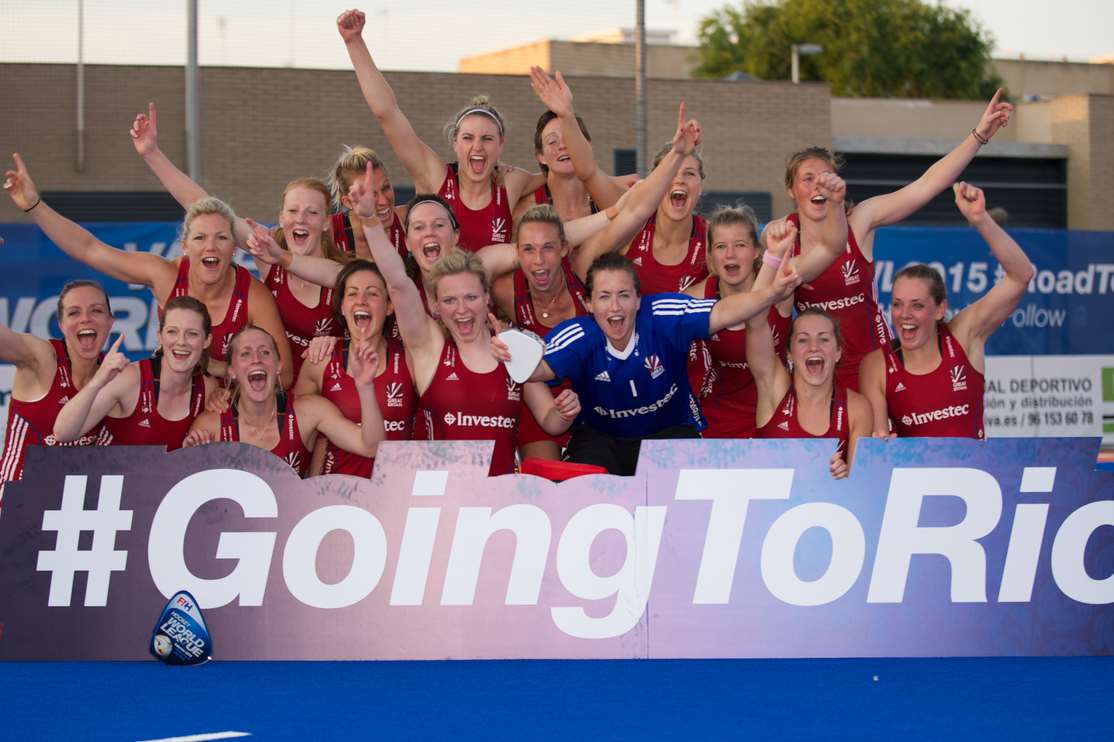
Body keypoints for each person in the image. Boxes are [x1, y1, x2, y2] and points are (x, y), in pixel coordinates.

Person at [781, 89, 1014, 391]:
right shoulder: (782, 236)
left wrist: (979, 136)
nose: (818, 185)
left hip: (873, 366)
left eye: (825, 176)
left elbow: (926, 185)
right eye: (808, 178)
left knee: (878, 437)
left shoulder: (860, 221)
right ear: (791, 190)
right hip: (818, 371)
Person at [3, 153, 293, 388]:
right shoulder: (164, 275)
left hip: (222, 405)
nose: (211, 248)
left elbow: (285, 375)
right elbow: (89, 249)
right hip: (174, 394)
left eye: (221, 238)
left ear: (235, 249)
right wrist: (34, 205)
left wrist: (223, 382)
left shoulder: (253, 296)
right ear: (185, 246)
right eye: (200, 238)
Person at [524, 246, 802, 476]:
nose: (615, 307)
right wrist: (506, 352)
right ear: (588, 304)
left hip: (669, 431)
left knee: (684, 495)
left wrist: (771, 292)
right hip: (601, 438)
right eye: (604, 297)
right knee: (583, 488)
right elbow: (535, 369)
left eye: (624, 295)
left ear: (638, 300)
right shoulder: (578, 335)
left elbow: (725, 312)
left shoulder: (663, 315)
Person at [129, 103, 343, 381]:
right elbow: (204, 204)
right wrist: (152, 154)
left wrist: (340, 343)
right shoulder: (267, 255)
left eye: (312, 213)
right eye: (292, 211)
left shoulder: (340, 272)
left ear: (327, 221)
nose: (300, 220)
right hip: (275, 388)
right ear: (281, 217)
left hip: (328, 390)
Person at [338, 9, 542, 251]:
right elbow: (387, 113)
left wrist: (565, 114)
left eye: (487, 139)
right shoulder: (435, 177)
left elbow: (565, 172)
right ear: (455, 143)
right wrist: (354, 41)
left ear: (501, 145)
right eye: (468, 138)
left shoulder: (512, 182)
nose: (477, 146)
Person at [859, 182, 1035, 438]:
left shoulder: (964, 336)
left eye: (917, 305)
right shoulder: (877, 365)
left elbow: (1021, 275)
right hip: (914, 477)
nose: (904, 314)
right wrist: (881, 444)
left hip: (974, 475)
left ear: (940, 309)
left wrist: (981, 220)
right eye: (897, 304)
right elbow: (877, 441)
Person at [530, 68, 708, 295]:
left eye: (690, 173)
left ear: (701, 185)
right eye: (671, 173)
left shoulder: (711, 239)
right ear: (655, 181)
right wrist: (566, 114)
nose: (679, 180)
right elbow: (588, 171)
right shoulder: (632, 220)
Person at [183, 325, 385, 477]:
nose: (256, 359)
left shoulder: (308, 411)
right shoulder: (211, 425)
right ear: (231, 371)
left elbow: (370, 447)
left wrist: (365, 387)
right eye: (245, 354)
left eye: (265, 352)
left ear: (279, 365)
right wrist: (188, 462)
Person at [294, 259, 416, 477]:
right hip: (336, 496)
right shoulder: (320, 361)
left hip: (396, 493)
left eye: (372, 293)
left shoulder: (410, 359)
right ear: (342, 306)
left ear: (389, 306)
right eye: (352, 294)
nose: (361, 301)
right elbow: (300, 435)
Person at [684, 205, 793, 438]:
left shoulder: (780, 287)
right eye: (721, 247)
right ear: (711, 256)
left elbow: (825, 249)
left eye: (740, 245)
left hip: (775, 414)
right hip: (715, 419)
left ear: (756, 251)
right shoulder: (693, 298)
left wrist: (784, 226)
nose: (730, 254)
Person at [53, 296, 218, 450]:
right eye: (172, 332)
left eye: (192, 334)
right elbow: (63, 433)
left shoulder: (208, 388)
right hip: (108, 477)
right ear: (160, 337)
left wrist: (191, 450)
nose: (181, 341)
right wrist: (97, 382)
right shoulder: (130, 378)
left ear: (206, 341)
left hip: (159, 480)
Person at [0, 280, 114, 498]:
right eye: (73, 313)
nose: (85, 319)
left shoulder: (117, 380)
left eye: (96, 311)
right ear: (61, 325)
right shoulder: (43, 359)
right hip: (11, 509)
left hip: (68, 518)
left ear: (110, 322)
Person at [327, 145, 408, 260]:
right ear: (348, 202)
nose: (383, 201)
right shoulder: (330, 230)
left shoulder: (408, 219)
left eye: (385, 187)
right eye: (370, 194)